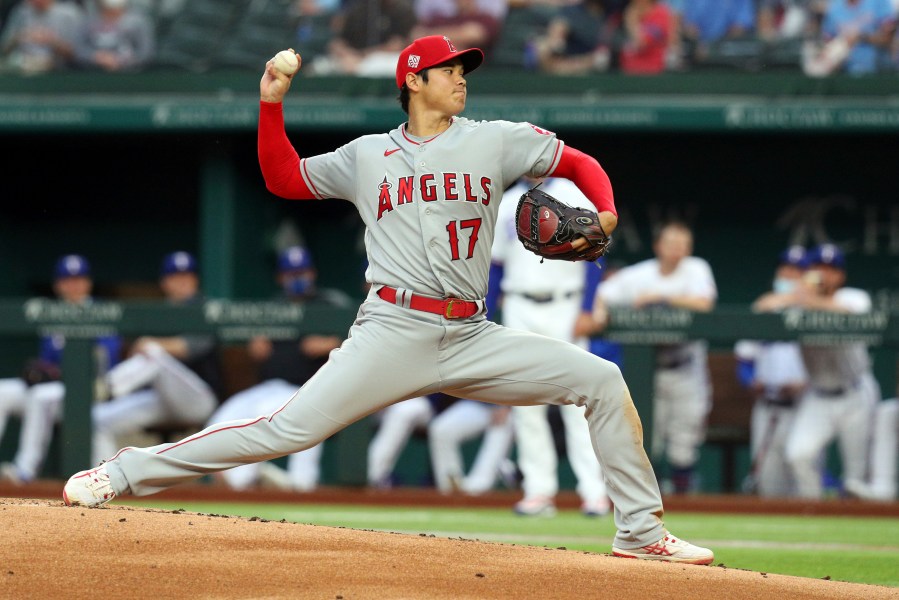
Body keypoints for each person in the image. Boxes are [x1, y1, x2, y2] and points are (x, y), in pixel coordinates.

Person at [63, 34, 714, 565]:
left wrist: (602, 213)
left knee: (601, 379)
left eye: (463, 69)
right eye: (447, 70)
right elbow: (283, 178)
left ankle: (638, 531)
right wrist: (270, 106)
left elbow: (577, 163)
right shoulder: (366, 155)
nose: (460, 78)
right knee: (283, 430)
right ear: (412, 82)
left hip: (471, 334)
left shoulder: (493, 138)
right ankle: (121, 473)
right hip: (392, 328)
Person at [489, 176, 610, 518]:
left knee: (577, 401)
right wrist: (488, 307)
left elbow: (593, 251)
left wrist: (587, 307)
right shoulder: (507, 201)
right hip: (519, 305)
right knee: (527, 402)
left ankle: (594, 492)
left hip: (565, 306)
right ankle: (538, 491)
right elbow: (496, 265)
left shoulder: (574, 194)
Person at [204, 245, 352, 492]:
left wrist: (333, 342)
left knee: (263, 415)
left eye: (302, 273)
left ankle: (247, 484)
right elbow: (251, 343)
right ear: (281, 277)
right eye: (291, 274)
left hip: (306, 388)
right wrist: (255, 346)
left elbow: (360, 336)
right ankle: (235, 483)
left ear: (312, 274)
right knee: (220, 419)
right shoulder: (274, 307)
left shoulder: (329, 304)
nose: (297, 279)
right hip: (268, 387)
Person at [585, 221, 718, 494]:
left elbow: (704, 303)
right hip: (649, 370)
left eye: (683, 244)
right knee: (648, 440)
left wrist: (661, 297)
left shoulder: (696, 268)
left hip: (685, 367)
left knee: (685, 442)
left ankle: (684, 500)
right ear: (658, 246)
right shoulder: (638, 275)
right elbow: (601, 295)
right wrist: (600, 313)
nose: (678, 250)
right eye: (671, 243)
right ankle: (650, 502)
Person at [90, 251, 222, 466]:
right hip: (163, 397)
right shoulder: (159, 313)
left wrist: (151, 345)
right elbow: (137, 352)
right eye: (175, 276)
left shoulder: (204, 308)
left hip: (199, 398)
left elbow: (191, 348)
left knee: (153, 352)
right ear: (164, 282)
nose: (182, 281)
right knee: (98, 419)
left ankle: (106, 386)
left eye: (187, 275)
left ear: (195, 279)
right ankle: (105, 480)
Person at [0, 254, 122, 484]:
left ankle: (24, 471)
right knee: (3, 391)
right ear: (58, 284)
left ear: (88, 283)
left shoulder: (102, 313)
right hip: (57, 392)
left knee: (41, 396)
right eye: (67, 279)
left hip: (90, 393)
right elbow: (47, 364)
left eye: (78, 279)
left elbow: (105, 362)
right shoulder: (52, 315)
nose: (73, 285)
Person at [781, 243, 880, 499]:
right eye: (818, 268)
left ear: (841, 275)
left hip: (855, 392)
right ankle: (814, 509)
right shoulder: (796, 301)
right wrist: (796, 295)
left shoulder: (854, 296)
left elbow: (850, 314)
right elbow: (763, 310)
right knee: (798, 454)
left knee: (856, 477)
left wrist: (809, 299)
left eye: (830, 269)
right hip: (818, 396)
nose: (824, 274)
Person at [733, 246, 810, 497]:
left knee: (802, 471)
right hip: (767, 404)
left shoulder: (815, 311)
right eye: (785, 269)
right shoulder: (764, 308)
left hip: (805, 404)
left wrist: (805, 384)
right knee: (767, 478)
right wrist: (751, 382)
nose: (789, 276)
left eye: (797, 272)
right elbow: (744, 360)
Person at [428, 398, 515, 494]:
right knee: (441, 429)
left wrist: (506, 406)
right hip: (478, 402)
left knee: (502, 424)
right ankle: (450, 488)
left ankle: (478, 486)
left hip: (515, 408)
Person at [313, 0, 416, 76]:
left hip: (385, 59)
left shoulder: (403, 10)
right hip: (353, 59)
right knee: (319, 68)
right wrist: (346, 54)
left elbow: (396, 46)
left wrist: (361, 57)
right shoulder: (358, 9)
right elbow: (338, 42)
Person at [0, 0, 83, 73]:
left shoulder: (69, 14)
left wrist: (51, 41)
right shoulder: (21, 12)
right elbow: (4, 48)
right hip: (20, 66)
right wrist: (18, 37)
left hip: (57, 71)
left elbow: (77, 54)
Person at [72, 0, 155, 72]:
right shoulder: (88, 21)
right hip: (91, 75)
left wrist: (120, 61)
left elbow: (145, 53)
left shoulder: (138, 22)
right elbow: (78, 50)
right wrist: (96, 57)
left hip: (131, 76)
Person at [411, 0, 504, 53]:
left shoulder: (485, 18)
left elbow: (474, 35)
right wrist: (458, 36)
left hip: (476, 73)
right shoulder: (441, 19)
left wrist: (431, 36)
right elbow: (416, 35)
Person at [619, 0, 673, 75]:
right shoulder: (629, 12)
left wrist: (632, 21)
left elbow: (641, 43)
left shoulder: (660, 14)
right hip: (628, 70)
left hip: (651, 72)